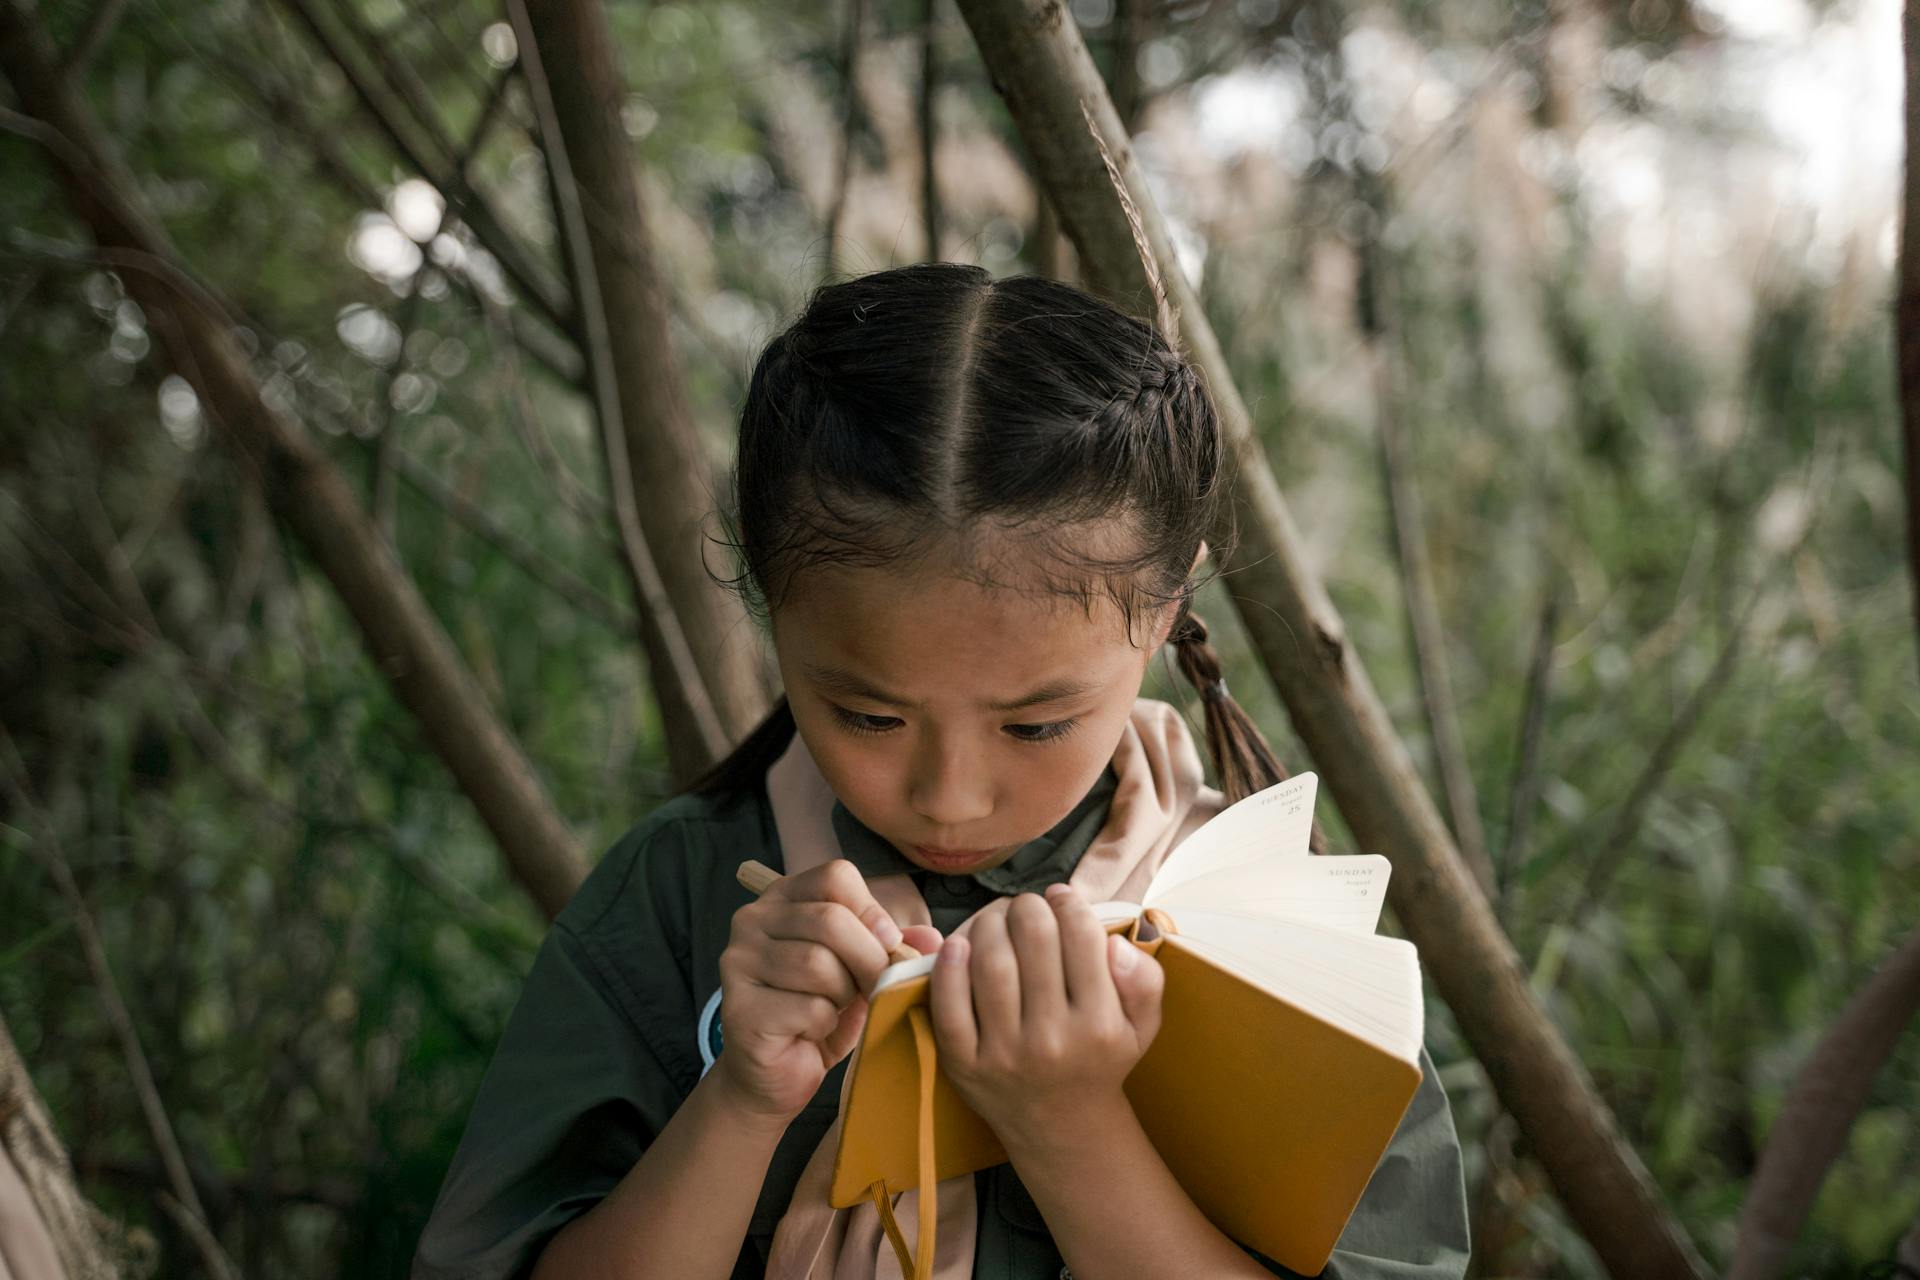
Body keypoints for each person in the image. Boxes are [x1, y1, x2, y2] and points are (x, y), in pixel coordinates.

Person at [412, 264, 1471, 1280]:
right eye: (869, 712)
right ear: (771, 601)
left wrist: (1067, 1124)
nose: (948, 795)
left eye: (1037, 722)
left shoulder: (1270, 935)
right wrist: (742, 1096)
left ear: (1165, 606)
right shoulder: (679, 896)